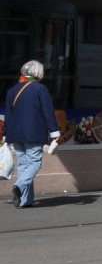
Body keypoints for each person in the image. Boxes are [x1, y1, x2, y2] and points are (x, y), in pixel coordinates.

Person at [4, 60, 61, 209]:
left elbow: (8, 115)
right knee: (35, 163)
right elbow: (47, 112)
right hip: (33, 134)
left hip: (16, 134)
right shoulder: (40, 89)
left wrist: (6, 135)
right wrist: (55, 132)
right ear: (38, 73)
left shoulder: (12, 90)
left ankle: (25, 200)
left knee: (23, 165)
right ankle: (19, 186)